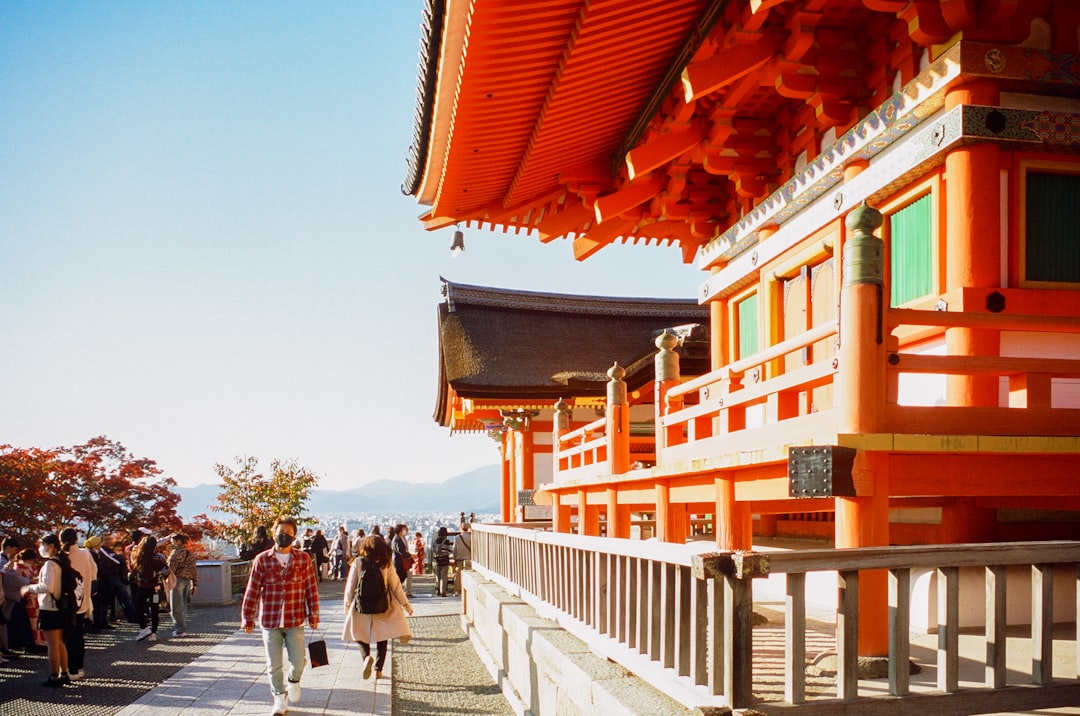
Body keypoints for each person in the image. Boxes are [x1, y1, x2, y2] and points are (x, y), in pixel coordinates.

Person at [241, 516, 320, 716]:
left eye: (288, 532)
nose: (283, 535)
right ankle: (279, 698)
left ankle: (294, 681)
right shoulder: (262, 559)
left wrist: (314, 614)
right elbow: (252, 590)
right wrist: (247, 618)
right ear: (274, 532)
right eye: (280, 531)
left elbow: (311, 588)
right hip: (269, 619)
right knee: (273, 664)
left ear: (294, 536)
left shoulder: (303, 559)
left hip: (295, 618)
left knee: (299, 660)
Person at [342, 534, 412, 681]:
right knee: (382, 637)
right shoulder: (386, 563)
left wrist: (347, 604)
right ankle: (378, 669)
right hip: (382, 604)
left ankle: (366, 657)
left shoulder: (358, 562)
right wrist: (405, 604)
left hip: (362, 604)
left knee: (359, 634)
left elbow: (350, 586)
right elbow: (396, 586)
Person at [20, 534, 71, 687]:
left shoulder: (50, 564)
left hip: (50, 607)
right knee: (60, 643)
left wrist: (29, 588)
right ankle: (64, 673)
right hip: (62, 606)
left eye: (43, 544)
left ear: (51, 546)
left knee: (52, 645)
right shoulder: (62, 562)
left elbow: (47, 587)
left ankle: (54, 676)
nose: (41, 547)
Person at [59, 527, 96, 681]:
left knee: (67, 637)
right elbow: (94, 573)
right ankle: (79, 668)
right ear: (76, 539)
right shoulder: (85, 553)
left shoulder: (61, 556)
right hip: (83, 600)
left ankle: (69, 669)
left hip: (67, 602)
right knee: (79, 636)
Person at [131, 535, 167, 642]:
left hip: (142, 587)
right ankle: (154, 633)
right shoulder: (159, 558)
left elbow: (135, 571)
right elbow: (166, 572)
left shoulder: (139, 558)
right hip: (155, 588)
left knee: (138, 607)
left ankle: (144, 627)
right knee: (155, 609)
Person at [166, 533, 198, 637]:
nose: (172, 543)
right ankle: (182, 628)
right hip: (187, 581)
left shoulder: (176, 553)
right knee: (183, 605)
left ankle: (180, 630)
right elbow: (194, 570)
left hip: (177, 580)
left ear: (178, 541)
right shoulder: (189, 553)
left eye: (173, 540)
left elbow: (170, 568)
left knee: (176, 606)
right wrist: (195, 584)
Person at [452, 523, 473, 596]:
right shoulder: (471, 537)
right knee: (468, 575)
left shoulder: (457, 537)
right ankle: (468, 590)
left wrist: (454, 558)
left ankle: (457, 591)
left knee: (458, 575)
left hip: (459, 558)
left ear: (461, 528)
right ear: (468, 528)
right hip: (468, 559)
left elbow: (454, 549)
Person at [433, 527, 453, 597]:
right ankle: (443, 591)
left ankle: (437, 590)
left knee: (437, 576)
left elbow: (433, 550)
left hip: (437, 560)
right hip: (445, 560)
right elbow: (450, 550)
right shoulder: (446, 541)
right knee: (444, 576)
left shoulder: (436, 541)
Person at [390, 524, 410, 594]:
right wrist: (410, 555)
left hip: (398, 560)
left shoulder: (397, 538)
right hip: (398, 561)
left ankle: (397, 591)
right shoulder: (397, 539)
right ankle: (395, 591)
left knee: (402, 575)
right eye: (403, 530)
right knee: (400, 576)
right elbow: (402, 551)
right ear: (400, 531)